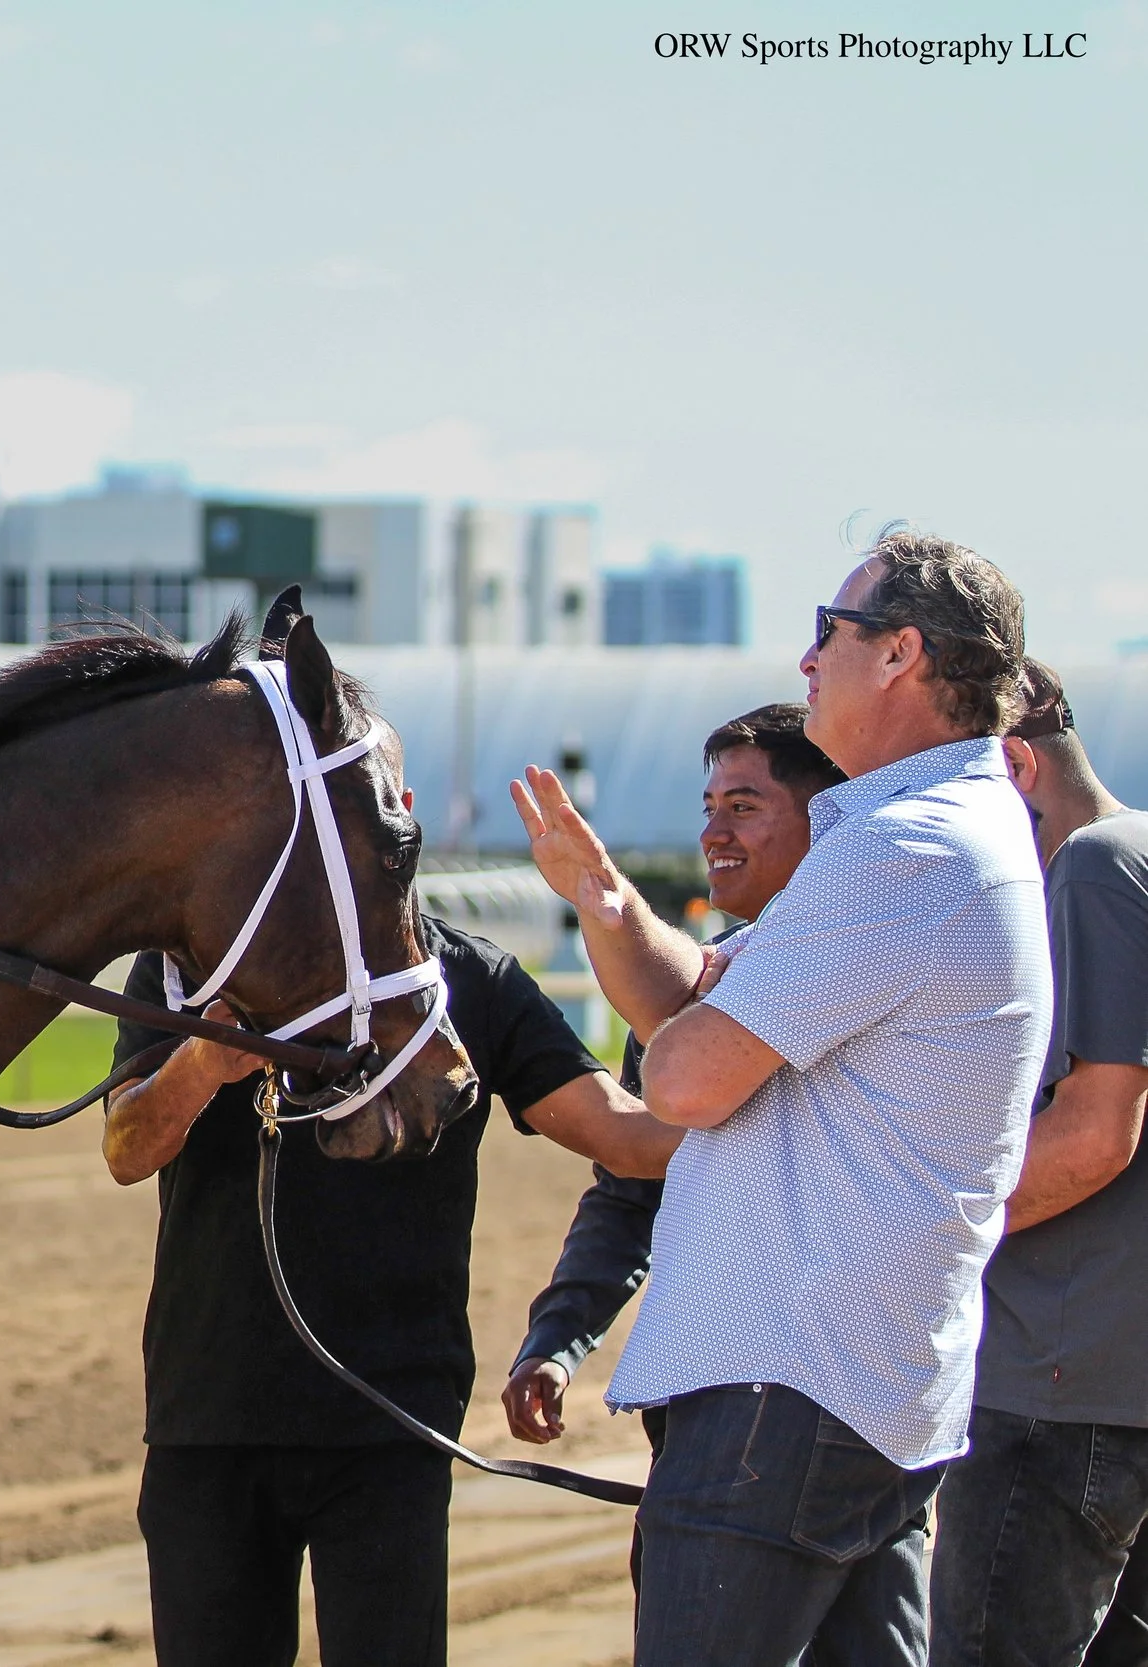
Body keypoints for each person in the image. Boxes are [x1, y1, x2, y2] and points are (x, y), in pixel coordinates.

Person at [556, 528, 1048, 1666]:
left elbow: (680, 1078)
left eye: (828, 631)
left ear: (901, 655)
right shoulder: (950, 833)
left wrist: (705, 1006)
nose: (805, 660)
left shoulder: (902, 847)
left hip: (785, 1385)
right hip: (856, 1385)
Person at [100, 716, 677, 1667]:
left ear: (400, 816)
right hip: (210, 1413)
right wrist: (211, 1052)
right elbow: (127, 1148)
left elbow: (619, 1134)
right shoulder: (183, 970)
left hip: (390, 1420)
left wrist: (781, 1110)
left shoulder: (472, 980)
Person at [501, 704, 845, 1451]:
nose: (714, 833)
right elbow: (630, 1193)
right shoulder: (692, 995)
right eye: (709, 808)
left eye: (744, 808)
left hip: (825, 1402)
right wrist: (557, 1338)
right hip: (709, 1411)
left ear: (829, 818)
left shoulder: (863, 969)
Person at [932, 659, 1148, 1667]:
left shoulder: (1093, 866)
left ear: (1013, 766)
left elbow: (1096, 1135)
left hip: (1060, 1389)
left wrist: (909, 1233)